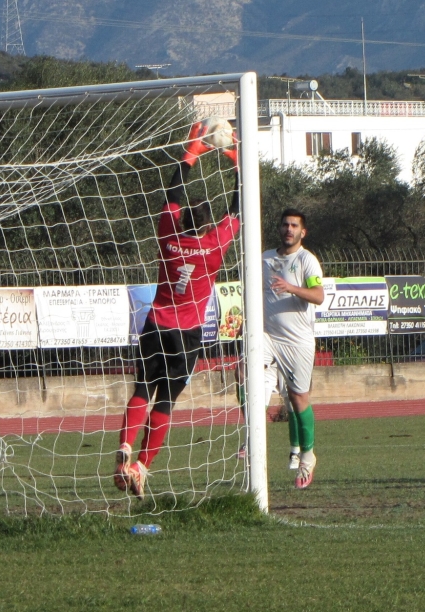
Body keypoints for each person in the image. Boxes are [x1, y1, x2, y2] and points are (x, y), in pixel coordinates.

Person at [115, 121, 240, 498]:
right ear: (209, 225)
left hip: (155, 323)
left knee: (141, 387)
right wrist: (236, 164)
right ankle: (141, 465)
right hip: (186, 334)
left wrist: (190, 154)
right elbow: (238, 209)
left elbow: (172, 193)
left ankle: (124, 446)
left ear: (183, 219)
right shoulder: (215, 244)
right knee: (166, 399)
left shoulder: (168, 234)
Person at [262, 209, 325, 489]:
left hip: (297, 341)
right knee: (245, 379)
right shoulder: (264, 258)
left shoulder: (306, 261)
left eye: (294, 226)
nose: (289, 229)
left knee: (298, 398)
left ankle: (308, 457)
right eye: (285, 224)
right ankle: (250, 441)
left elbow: (318, 296)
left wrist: (291, 287)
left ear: (303, 232)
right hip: (266, 336)